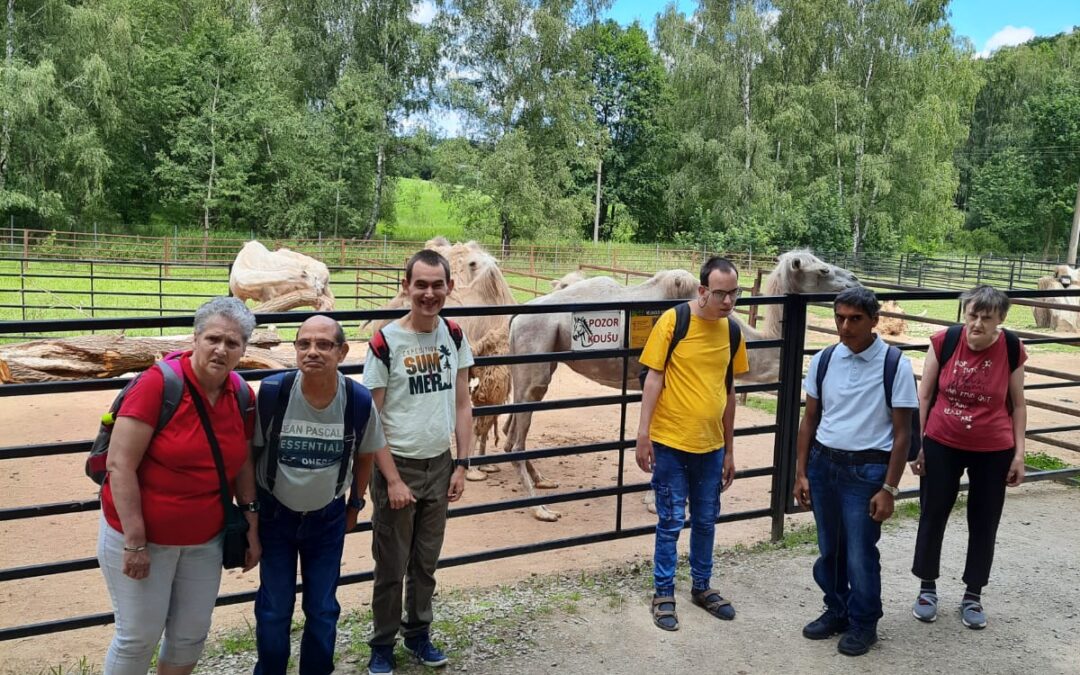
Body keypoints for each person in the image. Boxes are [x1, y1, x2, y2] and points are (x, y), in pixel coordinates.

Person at [98, 296, 259, 675]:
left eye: (232, 343)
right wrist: (135, 541)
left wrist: (252, 525)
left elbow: (243, 464)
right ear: (196, 338)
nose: (221, 349)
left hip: (205, 539)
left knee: (190, 634)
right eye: (213, 339)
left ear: (243, 350)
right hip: (143, 537)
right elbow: (119, 465)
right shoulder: (158, 386)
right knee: (138, 636)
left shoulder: (241, 395)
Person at [252, 315, 409, 675]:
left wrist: (354, 504)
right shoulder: (274, 394)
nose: (312, 352)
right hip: (276, 516)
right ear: (294, 350)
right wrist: (251, 513)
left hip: (327, 517)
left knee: (322, 608)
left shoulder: (355, 399)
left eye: (323, 345)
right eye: (304, 344)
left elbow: (366, 454)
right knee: (274, 607)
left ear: (341, 351)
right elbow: (252, 454)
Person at [363, 249, 473, 675]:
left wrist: (462, 463)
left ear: (450, 287)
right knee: (391, 564)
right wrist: (390, 479)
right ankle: (382, 643)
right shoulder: (386, 341)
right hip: (400, 467)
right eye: (420, 284)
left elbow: (463, 404)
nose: (429, 293)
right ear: (405, 286)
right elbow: (373, 417)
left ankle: (418, 634)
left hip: (439, 465)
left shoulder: (455, 336)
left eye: (437, 285)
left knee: (425, 562)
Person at [793, 286, 917, 656]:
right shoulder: (825, 360)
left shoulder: (894, 364)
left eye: (855, 319)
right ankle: (837, 608)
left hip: (866, 471)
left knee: (860, 552)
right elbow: (810, 418)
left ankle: (864, 622)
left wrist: (890, 488)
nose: (845, 327)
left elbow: (902, 433)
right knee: (830, 547)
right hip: (824, 464)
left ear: (874, 320)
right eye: (839, 318)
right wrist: (801, 472)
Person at [635, 256, 750, 631]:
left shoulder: (731, 332)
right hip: (670, 443)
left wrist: (730, 449)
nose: (729, 302)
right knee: (670, 521)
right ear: (703, 291)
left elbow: (729, 392)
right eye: (721, 294)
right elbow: (653, 378)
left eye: (734, 294)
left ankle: (701, 586)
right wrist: (644, 434)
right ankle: (663, 591)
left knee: (705, 520)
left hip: (711, 446)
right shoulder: (674, 322)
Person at [909, 285, 1027, 629]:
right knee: (933, 512)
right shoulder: (944, 341)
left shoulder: (1011, 347)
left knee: (985, 519)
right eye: (972, 315)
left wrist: (1019, 454)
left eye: (986, 318)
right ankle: (927, 588)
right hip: (942, 441)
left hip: (994, 448)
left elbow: (1018, 404)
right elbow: (925, 395)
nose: (976, 324)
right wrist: (920, 444)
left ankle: (973, 594)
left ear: (1000, 320)